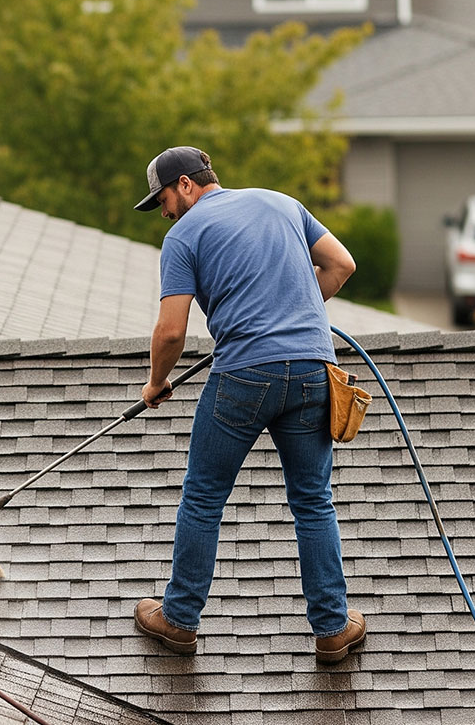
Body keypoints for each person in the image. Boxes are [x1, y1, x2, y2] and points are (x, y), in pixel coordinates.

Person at [129, 146, 366, 664]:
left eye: (164, 199)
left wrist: (154, 384)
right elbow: (341, 265)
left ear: (186, 185)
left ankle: (178, 620)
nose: (164, 212)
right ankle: (331, 629)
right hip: (312, 372)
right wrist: (294, 309)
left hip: (244, 376)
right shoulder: (281, 203)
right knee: (312, 500)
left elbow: (171, 332)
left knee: (203, 498)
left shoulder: (183, 236)